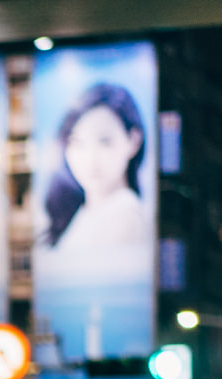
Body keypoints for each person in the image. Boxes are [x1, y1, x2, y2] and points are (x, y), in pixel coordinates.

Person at [39, 83, 153, 256]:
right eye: (77, 142)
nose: (90, 159)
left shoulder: (124, 214)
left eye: (104, 141)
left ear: (133, 141)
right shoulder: (84, 210)